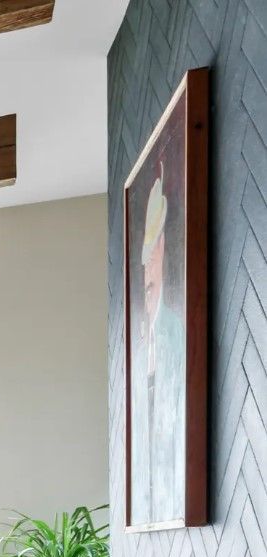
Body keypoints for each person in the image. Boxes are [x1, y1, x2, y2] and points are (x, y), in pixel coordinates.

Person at [134, 169, 185, 523]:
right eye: (145, 256)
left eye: (156, 251)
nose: (148, 267)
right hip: (150, 496)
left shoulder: (175, 333)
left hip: (173, 490)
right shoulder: (139, 353)